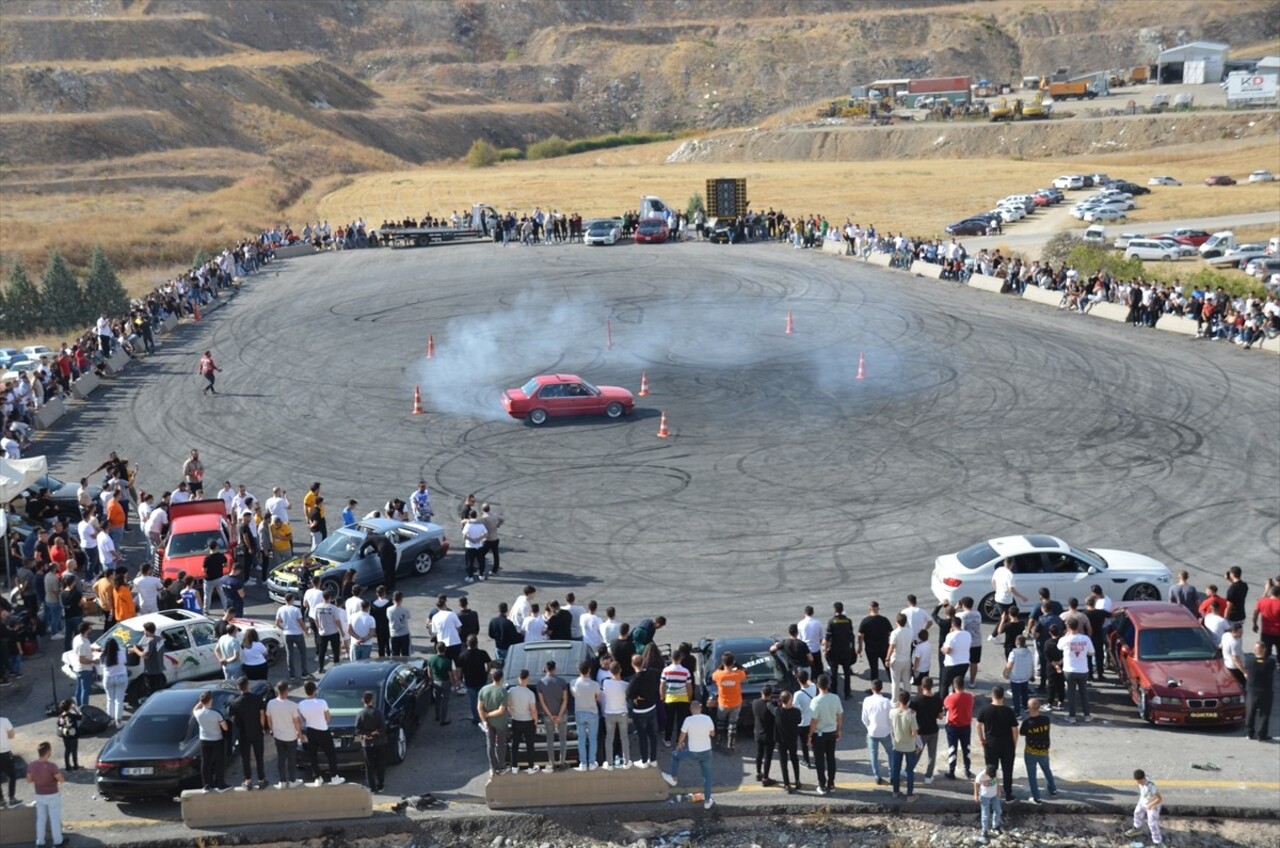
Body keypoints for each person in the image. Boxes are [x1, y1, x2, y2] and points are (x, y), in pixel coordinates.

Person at [660, 700, 716, 809]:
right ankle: (707, 801)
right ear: (700, 708)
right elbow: (712, 734)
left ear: (690, 710)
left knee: (675, 756)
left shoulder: (688, 720)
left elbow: (682, 734)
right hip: (707, 752)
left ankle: (673, 778)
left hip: (694, 752)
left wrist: (679, 745)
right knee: (707, 777)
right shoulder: (707, 718)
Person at [976, 685, 1018, 803]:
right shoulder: (1008, 711)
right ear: (1003, 696)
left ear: (992, 695)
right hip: (1007, 745)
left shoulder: (985, 710)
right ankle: (1008, 794)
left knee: (991, 770)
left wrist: (981, 739)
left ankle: (991, 794)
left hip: (991, 745)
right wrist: (1014, 744)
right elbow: (1015, 730)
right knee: (1007, 770)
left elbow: (978, 725)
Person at [298, 680, 344, 786]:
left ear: (305, 691)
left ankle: (318, 777)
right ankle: (334, 777)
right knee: (331, 753)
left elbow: (303, 718)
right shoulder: (322, 702)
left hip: (310, 730)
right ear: (315, 690)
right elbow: (328, 717)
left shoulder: (301, 704)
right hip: (323, 730)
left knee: (313, 755)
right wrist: (322, 722)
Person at [229, 676, 268, 789]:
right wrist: (261, 727)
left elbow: (232, 718)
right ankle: (261, 780)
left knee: (245, 757)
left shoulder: (234, 702)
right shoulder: (257, 698)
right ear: (248, 686)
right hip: (256, 731)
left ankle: (248, 781)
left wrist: (239, 725)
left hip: (243, 733)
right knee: (259, 756)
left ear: (238, 687)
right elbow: (262, 714)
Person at [808, 673, 843, 795]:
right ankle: (831, 783)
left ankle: (822, 784)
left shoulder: (816, 701)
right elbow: (839, 716)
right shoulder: (835, 698)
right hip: (832, 732)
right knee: (830, 758)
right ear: (828, 685)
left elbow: (813, 721)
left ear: (817, 685)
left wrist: (809, 735)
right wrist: (839, 730)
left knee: (819, 760)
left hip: (819, 734)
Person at [26, 741, 65, 848]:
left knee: (41, 819)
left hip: (39, 795)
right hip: (52, 795)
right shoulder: (52, 766)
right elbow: (61, 780)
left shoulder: (31, 766)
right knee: (54, 818)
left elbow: (29, 780)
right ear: (48, 752)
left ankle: (40, 841)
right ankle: (58, 841)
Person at [266, 680, 304, 788]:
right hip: (291, 736)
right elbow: (297, 722)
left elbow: (269, 718)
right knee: (292, 759)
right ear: (286, 690)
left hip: (278, 736)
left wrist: (271, 729)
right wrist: (300, 734)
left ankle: (282, 781)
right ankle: (292, 780)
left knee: (281, 758)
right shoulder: (292, 705)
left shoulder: (271, 703)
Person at [1020, 697, 1056, 804]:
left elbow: (1022, 733)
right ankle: (1052, 789)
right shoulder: (1046, 719)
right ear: (1039, 707)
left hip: (1030, 752)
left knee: (1032, 775)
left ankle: (1036, 797)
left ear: (1029, 708)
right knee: (1047, 770)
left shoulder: (1027, 723)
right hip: (1043, 751)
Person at [909, 676, 944, 785]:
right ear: (932, 686)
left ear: (922, 686)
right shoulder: (938, 699)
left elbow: (910, 714)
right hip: (933, 730)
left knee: (916, 753)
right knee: (931, 755)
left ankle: (909, 770)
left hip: (920, 731)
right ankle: (928, 776)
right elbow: (940, 717)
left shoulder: (916, 700)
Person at [1057, 618, 1094, 722]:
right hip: (1082, 669)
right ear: (1078, 626)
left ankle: (1072, 716)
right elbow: (1092, 652)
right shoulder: (1085, 639)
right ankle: (1087, 715)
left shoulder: (1064, 639)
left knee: (1071, 693)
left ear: (1068, 627)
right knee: (1084, 692)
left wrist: (1066, 635)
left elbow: (1059, 647)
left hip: (1069, 669)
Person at [477, 668, 512, 776]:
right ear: (501, 678)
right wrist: (489, 714)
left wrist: (484, 719)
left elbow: (479, 707)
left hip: (488, 723)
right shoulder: (503, 691)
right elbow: (501, 711)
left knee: (490, 745)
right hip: (500, 723)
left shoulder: (483, 690)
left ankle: (493, 767)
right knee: (501, 745)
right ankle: (501, 767)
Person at [193, 689, 230, 791]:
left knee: (205, 763)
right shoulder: (216, 713)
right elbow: (225, 728)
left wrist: (201, 701)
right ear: (211, 700)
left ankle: (206, 785)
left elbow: (195, 708)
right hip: (217, 740)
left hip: (204, 740)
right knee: (219, 762)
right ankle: (221, 784)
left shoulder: (198, 713)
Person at [537, 660, 570, 768]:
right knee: (562, 740)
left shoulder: (540, 683)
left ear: (546, 669)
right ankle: (562, 762)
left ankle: (551, 763)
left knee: (550, 740)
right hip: (562, 715)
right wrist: (559, 715)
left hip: (548, 716)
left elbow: (542, 702)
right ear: (555, 669)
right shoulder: (562, 681)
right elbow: (565, 700)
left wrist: (550, 715)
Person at [710, 652, 747, 751]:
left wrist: (722, 665)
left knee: (720, 723)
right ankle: (731, 744)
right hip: (736, 703)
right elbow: (745, 671)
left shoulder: (718, 675)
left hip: (723, 703)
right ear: (733, 662)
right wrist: (737, 665)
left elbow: (713, 675)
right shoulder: (737, 675)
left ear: (723, 662)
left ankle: (718, 740)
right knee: (732, 724)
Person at [860, 678, 892, 785]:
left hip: (872, 732)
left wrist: (868, 727)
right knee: (891, 754)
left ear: (872, 689)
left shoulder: (867, 700)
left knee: (873, 754)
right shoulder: (887, 702)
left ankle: (877, 776)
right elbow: (890, 718)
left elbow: (864, 718)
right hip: (885, 732)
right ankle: (892, 775)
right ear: (881, 688)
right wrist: (890, 729)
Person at [889, 690, 920, 801]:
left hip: (897, 745)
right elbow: (914, 733)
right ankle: (910, 795)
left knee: (896, 770)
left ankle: (895, 792)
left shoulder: (893, 713)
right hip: (909, 747)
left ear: (899, 701)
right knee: (910, 771)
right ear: (908, 701)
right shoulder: (910, 715)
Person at [571, 660, 601, 771]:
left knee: (581, 739)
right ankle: (592, 762)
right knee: (593, 739)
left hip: (579, 713)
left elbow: (574, 694)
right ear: (589, 670)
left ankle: (583, 763)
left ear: (579, 670)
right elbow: (598, 698)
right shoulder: (595, 684)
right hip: (592, 713)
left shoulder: (574, 683)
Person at [660, 647, 693, 748]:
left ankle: (667, 740)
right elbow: (689, 687)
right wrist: (689, 697)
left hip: (670, 699)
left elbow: (662, 686)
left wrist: (662, 697)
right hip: (683, 699)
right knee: (681, 721)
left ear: (671, 658)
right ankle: (680, 741)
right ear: (681, 658)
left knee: (669, 720)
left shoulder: (666, 670)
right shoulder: (686, 671)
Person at [824, 601, 857, 699]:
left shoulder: (831, 621)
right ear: (842, 610)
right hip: (846, 651)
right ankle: (847, 693)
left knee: (834, 674)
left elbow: (827, 639)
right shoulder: (848, 621)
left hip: (834, 651)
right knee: (847, 673)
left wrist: (825, 651)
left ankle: (834, 694)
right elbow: (851, 636)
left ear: (835, 610)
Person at [944, 676, 975, 780]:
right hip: (966, 726)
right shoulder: (970, 697)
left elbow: (946, 707)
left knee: (952, 748)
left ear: (954, 686)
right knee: (967, 748)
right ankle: (967, 769)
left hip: (953, 726)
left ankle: (952, 771)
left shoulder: (950, 698)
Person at [355, 690, 386, 792]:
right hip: (379, 743)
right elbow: (383, 728)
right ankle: (380, 784)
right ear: (372, 700)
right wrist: (374, 734)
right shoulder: (378, 713)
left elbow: (357, 729)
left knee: (369, 766)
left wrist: (366, 735)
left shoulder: (360, 714)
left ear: (363, 700)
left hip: (367, 744)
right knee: (380, 764)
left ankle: (372, 787)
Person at [772, 690, 803, 793]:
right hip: (792, 740)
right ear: (790, 700)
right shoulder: (796, 712)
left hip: (781, 741)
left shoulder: (778, 712)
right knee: (794, 759)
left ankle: (787, 784)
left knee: (783, 763)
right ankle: (797, 780)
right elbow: (799, 721)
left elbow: (770, 707)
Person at [1245, 640, 1276, 741]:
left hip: (1252, 692)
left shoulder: (1249, 661)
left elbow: (1247, 669)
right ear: (1265, 650)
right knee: (1264, 714)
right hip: (1265, 692)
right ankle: (1262, 735)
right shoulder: (1270, 662)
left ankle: (1249, 733)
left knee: (1250, 712)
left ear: (1255, 650)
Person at [458, 635, 492, 726]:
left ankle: (476, 718)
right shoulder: (482, 653)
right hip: (482, 679)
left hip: (469, 681)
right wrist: (487, 672)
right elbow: (489, 663)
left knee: (473, 701)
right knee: (483, 700)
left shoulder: (462, 656)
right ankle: (485, 717)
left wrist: (459, 679)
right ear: (477, 643)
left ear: (467, 643)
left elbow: (459, 670)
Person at [989, 558, 1027, 637]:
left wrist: (997, 590)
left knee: (1012, 613)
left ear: (1004, 563)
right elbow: (1011, 589)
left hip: (999, 597)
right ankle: (993, 635)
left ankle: (1020, 629)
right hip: (1006, 600)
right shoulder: (1010, 575)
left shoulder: (999, 570)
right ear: (1012, 564)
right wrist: (1021, 597)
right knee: (1005, 618)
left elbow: (993, 581)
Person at [1124, 769, 1164, 845]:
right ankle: (1136, 829)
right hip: (1143, 801)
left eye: (1140, 782)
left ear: (1143, 778)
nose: (1139, 783)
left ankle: (1158, 842)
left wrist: (1151, 805)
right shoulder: (1141, 782)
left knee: (1152, 823)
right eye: (1138, 782)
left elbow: (1159, 798)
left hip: (1152, 805)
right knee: (1137, 813)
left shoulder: (1151, 786)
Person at [276, 593, 309, 680]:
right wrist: (306, 631)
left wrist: (284, 628)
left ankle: (292, 675)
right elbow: (301, 622)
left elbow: (277, 623)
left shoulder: (280, 609)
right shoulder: (296, 610)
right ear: (292, 599)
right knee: (302, 653)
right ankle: (304, 673)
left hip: (287, 634)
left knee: (289, 654)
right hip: (297, 633)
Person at [857, 601, 891, 684]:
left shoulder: (865, 621)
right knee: (888, 667)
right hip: (884, 648)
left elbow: (860, 635)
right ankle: (894, 684)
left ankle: (875, 688)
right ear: (878, 608)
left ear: (869, 609)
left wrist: (860, 647)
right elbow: (891, 633)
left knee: (874, 668)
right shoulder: (884, 620)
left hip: (871, 649)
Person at [131, 620, 168, 698]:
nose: (144, 632)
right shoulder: (160, 639)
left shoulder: (150, 642)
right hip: (159, 669)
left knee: (152, 691)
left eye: (144, 630)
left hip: (151, 671)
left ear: (147, 631)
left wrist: (135, 650)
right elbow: (155, 650)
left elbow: (145, 655)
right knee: (159, 690)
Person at [885, 613, 915, 702]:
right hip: (907, 659)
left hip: (897, 659)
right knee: (907, 681)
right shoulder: (910, 631)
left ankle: (894, 700)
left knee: (895, 682)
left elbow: (892, 646)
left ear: (897, 622)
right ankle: (908, 699)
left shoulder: (895, 633)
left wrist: (887, 658)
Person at [1003, 635, 1035, 719]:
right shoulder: (1028, 652)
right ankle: (1025, 706)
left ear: (1016, 642)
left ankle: (1017, 712)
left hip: (1016, 677)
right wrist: (1032, 675)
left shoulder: (1013, 653)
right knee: (1025, 693)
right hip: (1025, 676)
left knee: (1016, 695)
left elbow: (1009, 665)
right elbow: (1031, 664)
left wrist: (1005, 673)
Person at [751, 685, 777, 786]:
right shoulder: (772, 705)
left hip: (758, 733)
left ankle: (758, 773)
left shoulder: (755, 703)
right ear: (771, 694)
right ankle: (765, 778)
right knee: (768, 757)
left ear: (761, 693)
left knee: (759, 753)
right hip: (769, 735)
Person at [941, 615, 972, 695]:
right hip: (964, 663)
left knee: (944, 685)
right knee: (958, 685)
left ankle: (944, 704)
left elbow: (947, 650)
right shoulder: (967, 634)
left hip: (952, 664)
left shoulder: (950, 636)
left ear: (952, 625)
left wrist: (942, 649)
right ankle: (957, 700)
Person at [313, 591, 342, 672]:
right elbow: (337, 621)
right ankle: (336, 668)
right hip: (333, 632)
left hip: (323, 633)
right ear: (330, 597)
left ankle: (321, 668)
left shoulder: (317, 607)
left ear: (323, 597)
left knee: (322, 651)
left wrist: (319, 627)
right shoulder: (333, 608)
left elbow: (315, 619)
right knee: (335, 651)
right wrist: (342, 631)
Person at [427, 642, 453, 726]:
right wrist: (452, 682)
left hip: (435, 681)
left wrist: (431, 679)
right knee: (445, 702)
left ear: (436, 649)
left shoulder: (431, 659)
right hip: (445, 682)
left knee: (437, 700)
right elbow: (450, 674)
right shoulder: (447, 661)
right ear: (445, 649)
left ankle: (437, 715)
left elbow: (429, 671)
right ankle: (443, 720)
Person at [974, 764, 1002, 842]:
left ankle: (995, 826)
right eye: (990, 775)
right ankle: (984, 830)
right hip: (984, 796)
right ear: (987, 772)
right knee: (985, 814)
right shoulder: (981, 776)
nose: (992, 776)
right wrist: (976, 795)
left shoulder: (997, 772)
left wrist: (999, 791)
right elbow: (976, 784)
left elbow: (998, 781)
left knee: (998, 810)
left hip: (994, 795)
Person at [1253, 583, 1280, 657]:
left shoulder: (1262, 601)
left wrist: (1254, 624)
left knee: (1265, 653)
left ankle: (1267, 667)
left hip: (1266, 632)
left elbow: (1255, 614)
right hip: (1278, 633)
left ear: (1270, 593)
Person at [461, 511, 488, 583]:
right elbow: (486, 534)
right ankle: (481, 575)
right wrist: (479, 539)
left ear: (469, 516)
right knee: (481, 561)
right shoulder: (481, 524)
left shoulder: (468, 525)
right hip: (479, 546)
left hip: (470, 546)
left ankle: (470, 577)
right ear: (476, 516)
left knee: (470, 562)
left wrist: (472, 540)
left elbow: (464, 536)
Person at [56, 700, 81, 771]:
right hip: (73, 735)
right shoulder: (72, 715)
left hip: (65, 735)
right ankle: (75, 765)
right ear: (70, 706)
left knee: (67, 750)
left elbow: (59, 724)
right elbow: (81, 716)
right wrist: (75, 709)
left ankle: (67, 766)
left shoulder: (61, 716)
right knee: (74, 750)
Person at [0, 712, 16, 807]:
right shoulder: (4, 720)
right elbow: (11, 735)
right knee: (12, 776)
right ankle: (12, 798)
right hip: (5, 752)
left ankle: (1, 800)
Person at [388, 591, 411, 657]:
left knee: (395, 655)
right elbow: (409, 617)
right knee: (405, 654)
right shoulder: (405, 609)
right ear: (401, 599)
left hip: (394, 634)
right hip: (404, 633)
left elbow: (388, 618)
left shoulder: (389, 609)